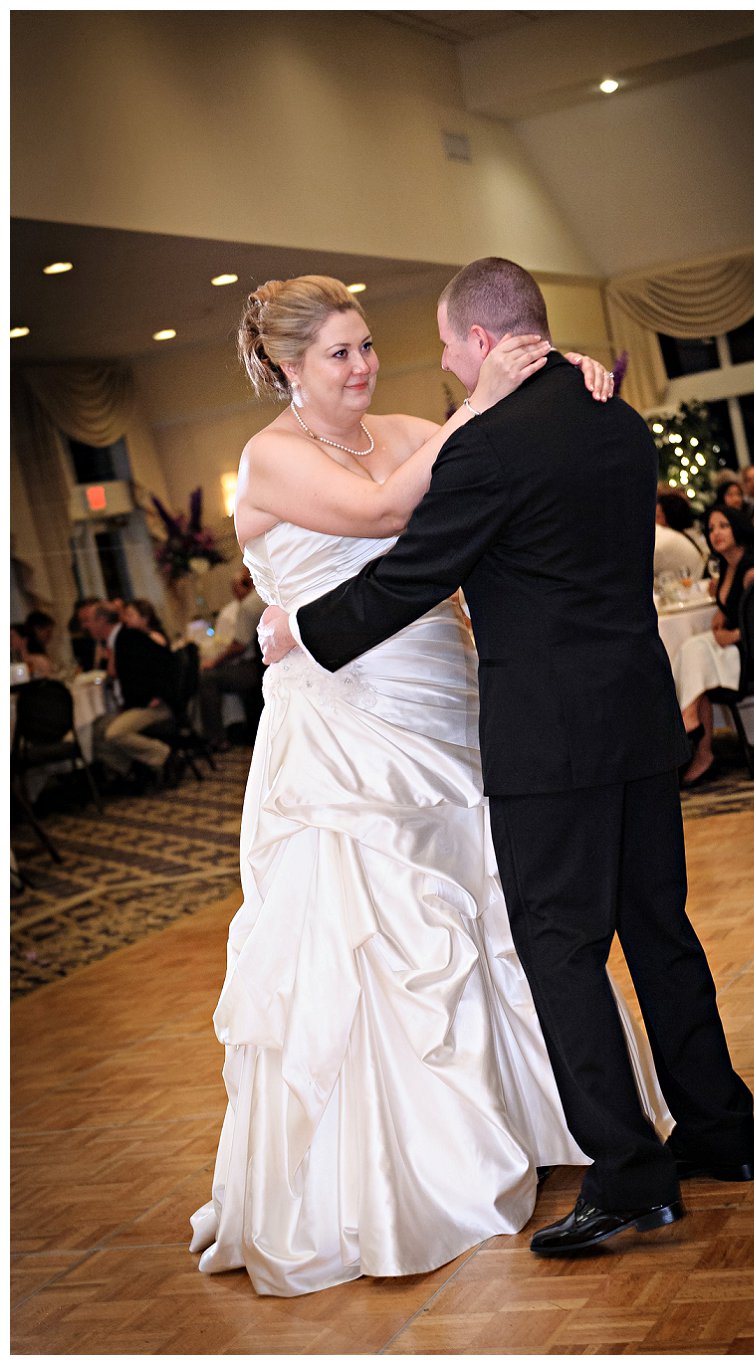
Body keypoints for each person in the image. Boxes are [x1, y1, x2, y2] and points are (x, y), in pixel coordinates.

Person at [260, 258, 754, 1265]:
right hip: (634, 714)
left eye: (448, 347)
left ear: (484, 344)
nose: (443, 366)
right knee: (659, 929)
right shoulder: (615, 419)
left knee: (558, 946)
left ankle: (630, 1177)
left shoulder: (487, 450)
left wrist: (300, 631)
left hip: (548, 739)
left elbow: (410, 575)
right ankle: (721, 1132)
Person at [187, 272, 657, 1296]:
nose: (362, 367)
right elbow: (380, 510)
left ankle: (537, 1122)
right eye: (337, 355)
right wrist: (487, 396)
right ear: (284, 367)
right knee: (377, 928)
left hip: (449, 698)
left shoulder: (409, 422)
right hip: (346, 720)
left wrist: (555, 381)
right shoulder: (269, 455)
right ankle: (411, 1168)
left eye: (364, 346)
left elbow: (483, 466)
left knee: (502, 910)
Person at [674, 506, 754, 787]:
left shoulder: (752, 567)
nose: (715, 533)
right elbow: (735, 607)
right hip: (740, 649)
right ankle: (701, 749)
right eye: (711, 528)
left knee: (697, 651)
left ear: (738, 528)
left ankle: (689, 722)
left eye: (723, 526)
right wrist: (723, 612)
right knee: (692, 650)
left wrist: (734, 635)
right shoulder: (729, 566)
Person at [83, 601, 178, 789]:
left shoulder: (130, 638)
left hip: (155, 705)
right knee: (95, 732)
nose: (85, 626)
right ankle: (133, 771)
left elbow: (167, 664)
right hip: (136, 704)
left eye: (88, 621)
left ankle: (164, 756)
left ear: (102, 621)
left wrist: (157, 694)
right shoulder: (116, 642)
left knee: (114, 733)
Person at [195, 569, 265, 749]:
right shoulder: (263, 596)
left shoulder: (249, 605)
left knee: (208, 677)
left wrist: (215, 661)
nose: (235, 592)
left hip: (254, 668)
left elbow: (238, 647)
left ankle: (216, 737)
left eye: (237, 587)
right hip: (263, 664)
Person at [654, 492, 707, 578]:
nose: (653, 521)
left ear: (668, 518)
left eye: (657, 516)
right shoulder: (682, 535)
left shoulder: (668, 538)